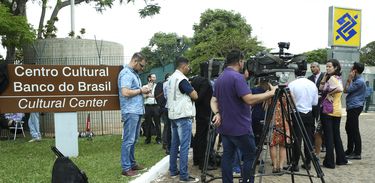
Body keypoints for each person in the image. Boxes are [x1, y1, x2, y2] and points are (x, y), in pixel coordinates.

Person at [210, 50, 276, 183]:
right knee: (250, 156)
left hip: (225, 127)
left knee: (227, 157)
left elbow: (213, 100)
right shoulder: (237, 77)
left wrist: (217, 113)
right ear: (240, 61)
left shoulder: (220, 78)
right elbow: (250, 99)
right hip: (240, 128)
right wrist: (271, 93)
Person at [167, 57, 199, 182]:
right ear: (184, 66)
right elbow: (195, 95)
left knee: (174, 145)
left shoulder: (170, 79)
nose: (189, 68)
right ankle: (184, 176)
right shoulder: (182, 79)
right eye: (188, 66)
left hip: (173, 115)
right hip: (183, 116)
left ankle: (173, 171)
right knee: (185, 146)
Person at [118, 52, 150, 177]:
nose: (142, 69)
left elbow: (132, 91)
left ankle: (132, 163)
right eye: (141, 66)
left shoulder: (133, 74)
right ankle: (126, 168)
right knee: (128, 140)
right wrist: (141, 90)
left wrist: (142, 93)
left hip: (136, 111)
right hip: (130, 111)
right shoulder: (126, 73)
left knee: (134, 139)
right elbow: (125, 92)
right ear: (135, 61)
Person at [319, 59, 350, 169]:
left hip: (328, 110)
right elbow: (321, 88)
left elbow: (340, 89)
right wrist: (324, 76)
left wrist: (329, 94)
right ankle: (341, 159)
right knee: (336, 136)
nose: (327, 68)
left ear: (335, 67)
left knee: (329, 136)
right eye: (326, 66)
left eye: (329, 67)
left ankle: (330, 162)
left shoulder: (332, 78)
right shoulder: (336, 77)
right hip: (336, 110)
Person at [288, 68, 318, 171]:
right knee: (308, 138)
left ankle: (295, 163)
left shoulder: (292, 84)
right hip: (309, 113)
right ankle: (308, 162)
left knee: (297, 139)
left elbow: (289, 101)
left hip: (297, 113)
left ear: (295, 73)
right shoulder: (312, 84)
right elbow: (315, 103)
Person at [190, 75, 215, 170]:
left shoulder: (196, 80)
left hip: (200, 112)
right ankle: (203, 162)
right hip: (206, 113)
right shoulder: (205, 82)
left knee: (199, 136)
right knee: (203, 138)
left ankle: (197, 159)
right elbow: (200, 97)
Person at [343, 62, 366, 160]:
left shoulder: (359, 81)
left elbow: (346, 90)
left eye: (352, 68)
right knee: (348, 128)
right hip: (352, 106)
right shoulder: (357, 80)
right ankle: (349, 149)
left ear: (354, 71)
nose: (350, 70)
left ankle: (357, 152)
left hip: (355, 107)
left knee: (354, 129)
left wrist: (349, 79)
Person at [307, 62, 326, 155]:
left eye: (313, 67)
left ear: (318, 67)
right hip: (311, 105)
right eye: (311, 67)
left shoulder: (325, 76)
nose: (312, 68)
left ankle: (323, 145)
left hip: (321, 104)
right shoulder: (309, 79)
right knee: (311, 124)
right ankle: (313, 143)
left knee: (321, 124)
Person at [269, 98, 290, 173]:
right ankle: (280, 166)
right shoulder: (286, 95)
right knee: (283, 145)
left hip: (273, 121)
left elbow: (265, 107)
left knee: (272, 144)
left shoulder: (270, 94)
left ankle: (275, 166)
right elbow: (292, 105)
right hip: (284, 122)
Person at [143, 73, 162, 144]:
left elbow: (158, 95)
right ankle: (148, 139)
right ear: (149, 78)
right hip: (147, 106)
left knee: (157, 123)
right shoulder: (145, 86)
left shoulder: (157, 86)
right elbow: (144, 96)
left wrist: (150, 95)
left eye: (155, 77)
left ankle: (159, 139)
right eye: (153, 77)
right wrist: (149, 94)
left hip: (155, 106)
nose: (155, 79)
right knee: (148, 123)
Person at [160, 73, 171, 154]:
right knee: (169, 127)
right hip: (169, 107)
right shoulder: (168, 84)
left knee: (167, 126)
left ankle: (165, 143)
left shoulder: (163, 84)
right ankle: (167, 144)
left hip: (165, 107)